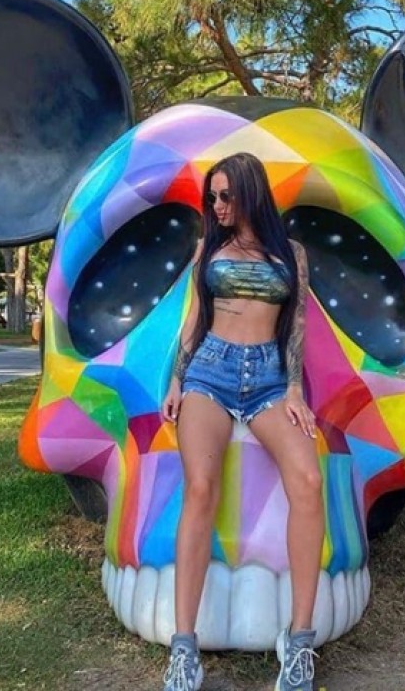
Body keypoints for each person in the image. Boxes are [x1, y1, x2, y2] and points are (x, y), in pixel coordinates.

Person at [161, 152, 324, 691]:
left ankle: (298, 643)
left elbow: (296, 324)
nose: (217, 205)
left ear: (252, 192)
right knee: (200, 487)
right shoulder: (208, 248)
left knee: (309, 480)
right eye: (212, 196)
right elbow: (194, 319)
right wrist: (177, 380)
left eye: (226, 195)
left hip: (271, 379)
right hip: (211, 371)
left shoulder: (291, 254)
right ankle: (184, 650)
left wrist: (295, 388)